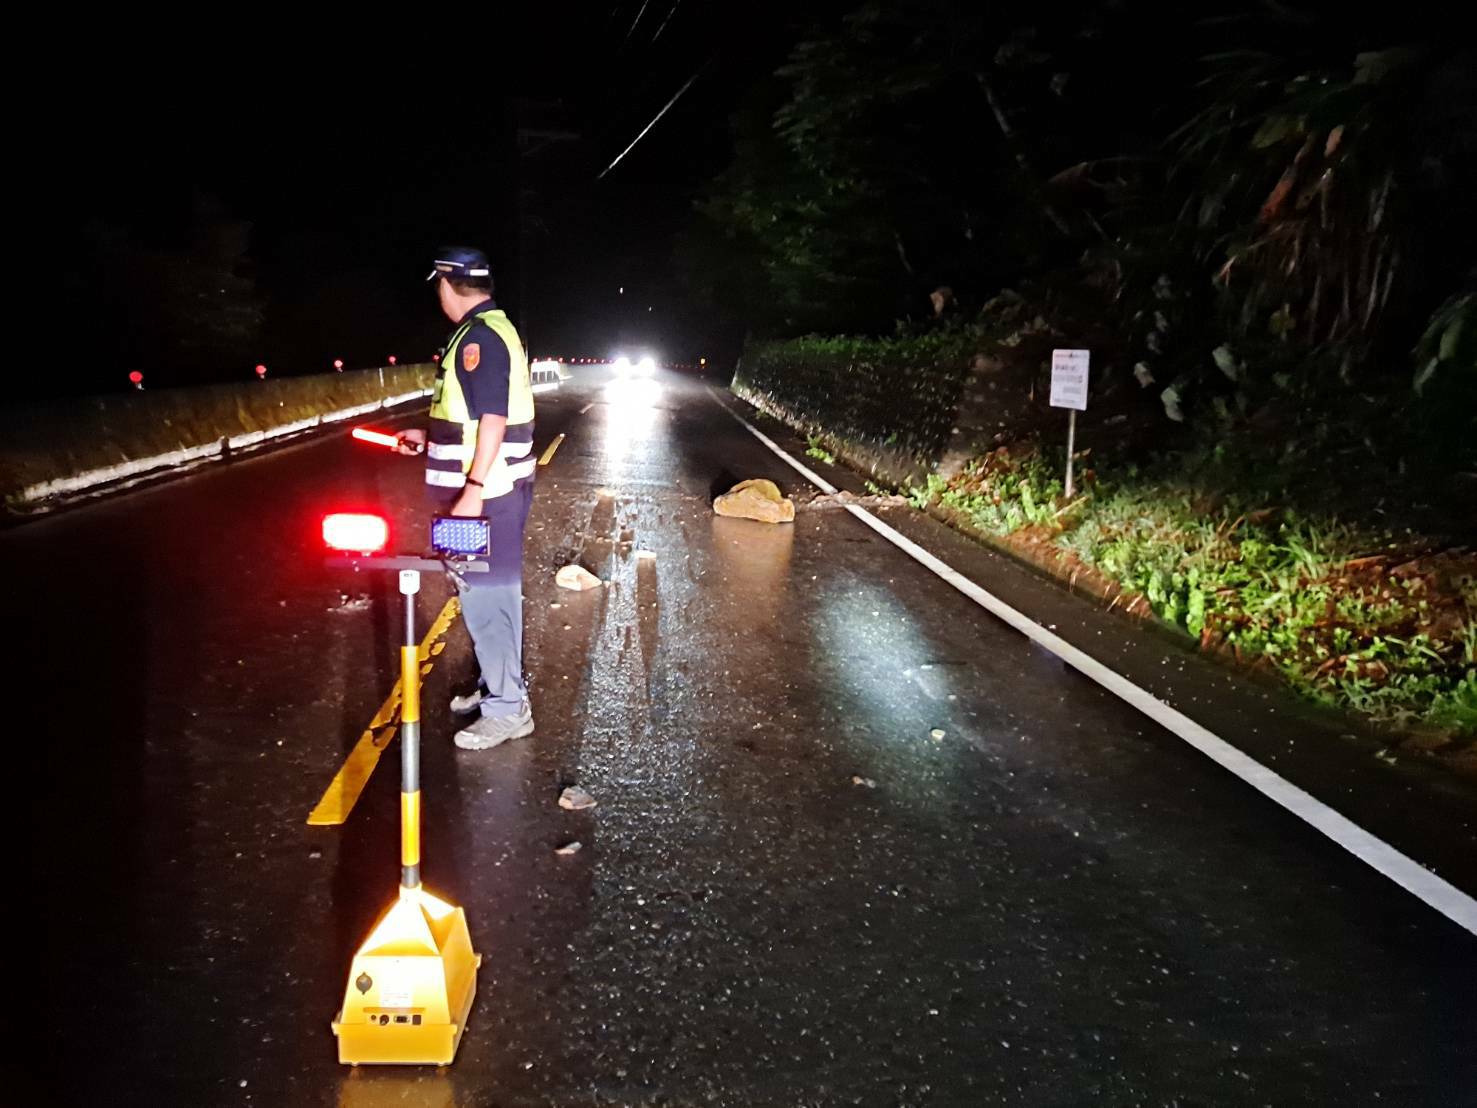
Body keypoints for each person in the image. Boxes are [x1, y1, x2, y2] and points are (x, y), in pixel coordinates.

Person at [398, 247, 536, 750]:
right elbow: (476, 419)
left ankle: (507, 707)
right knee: (488, 594)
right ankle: (501, 685)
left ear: (446, 285)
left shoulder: (478, 339)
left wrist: (473, 491)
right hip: (494, 488)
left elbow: (494, 421)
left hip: (487, 494)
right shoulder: (493, 328)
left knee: (486, 596)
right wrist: (429, 439)